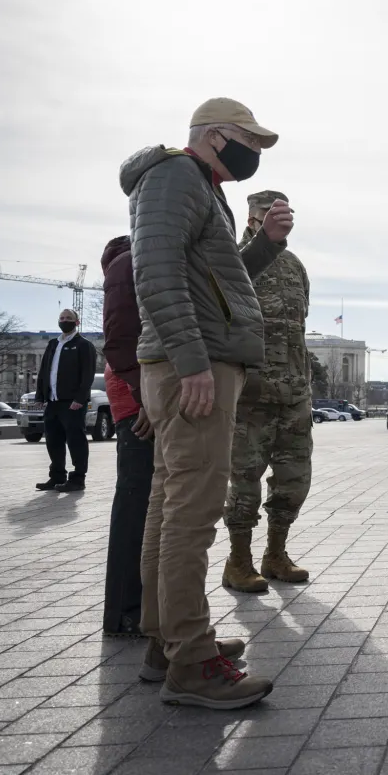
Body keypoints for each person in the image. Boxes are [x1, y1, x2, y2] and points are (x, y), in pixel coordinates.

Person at [123, 96, 293, 709]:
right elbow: (156, 269)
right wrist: (193, 363)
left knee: (170, 507)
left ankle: (166, 640)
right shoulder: (175, 175)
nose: (254, 154)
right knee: (191, 514)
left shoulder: (196, 185)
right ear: (216, 136)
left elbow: (214, 280)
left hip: (188, 360)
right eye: (248, 141)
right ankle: (191, 663)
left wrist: (265, 245)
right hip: (192, 366)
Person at [222, 191, 313, 594]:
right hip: (250, 396)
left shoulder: (295, 266)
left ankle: (275, 554)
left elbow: (299, 328)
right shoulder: (234, 259)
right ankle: (237, 561)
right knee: (244, 482)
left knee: (294, 479)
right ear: (251, 216)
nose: (276, 220)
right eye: (266, 213)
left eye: (284, 214)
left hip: (294, 394)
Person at [100, 235, 152, 636]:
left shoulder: (131, 260)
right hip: (138, 401)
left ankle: (135, 609)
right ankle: (126, 612)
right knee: (137, 502)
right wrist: (144, 395)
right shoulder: (128, 262)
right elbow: (120, 340)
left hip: (138, 396)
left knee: (143, 501)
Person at [33, 308, 96, 493]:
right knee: (53, 440)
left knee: (76, 440)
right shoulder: (53, 344)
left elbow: (88, 374)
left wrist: (80, 398)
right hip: (52, 402)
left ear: (77, 322)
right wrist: (40, 395)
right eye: (62, 318)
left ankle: (77, 479)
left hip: (72, 403)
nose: (65, 320)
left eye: (69, 318)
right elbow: (44, 371)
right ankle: (57, 476)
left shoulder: (84, 345)